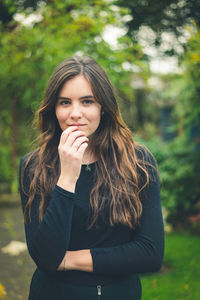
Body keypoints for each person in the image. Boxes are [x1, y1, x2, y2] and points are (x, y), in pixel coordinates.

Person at [19, 55, 164, 300]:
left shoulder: (138, 162)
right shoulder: (33, 167)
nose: (75, 113)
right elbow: (45, 257)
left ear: (103, 107)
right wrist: (67, 176)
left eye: (87, 101)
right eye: (65, 102)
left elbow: (150, 253)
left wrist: (70, 259)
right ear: (54, 109)